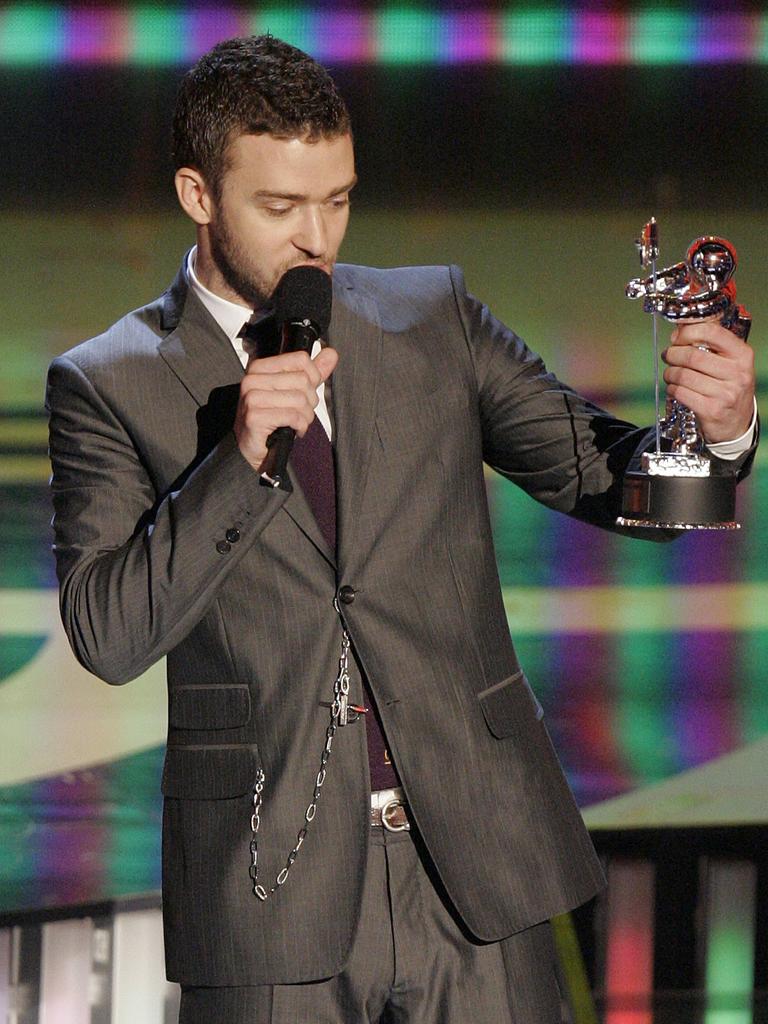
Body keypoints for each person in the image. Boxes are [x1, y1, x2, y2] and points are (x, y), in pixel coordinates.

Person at [46, 35, 757, 1024]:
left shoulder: (430, 317)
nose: (316, 240)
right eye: (281, 206)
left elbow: (618, 484)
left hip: (476, 872)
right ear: (196, 195)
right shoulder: (109, 380)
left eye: (336, 201)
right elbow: (109, 634)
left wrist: (715, 434)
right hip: (268, 893)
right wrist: (239, 460)